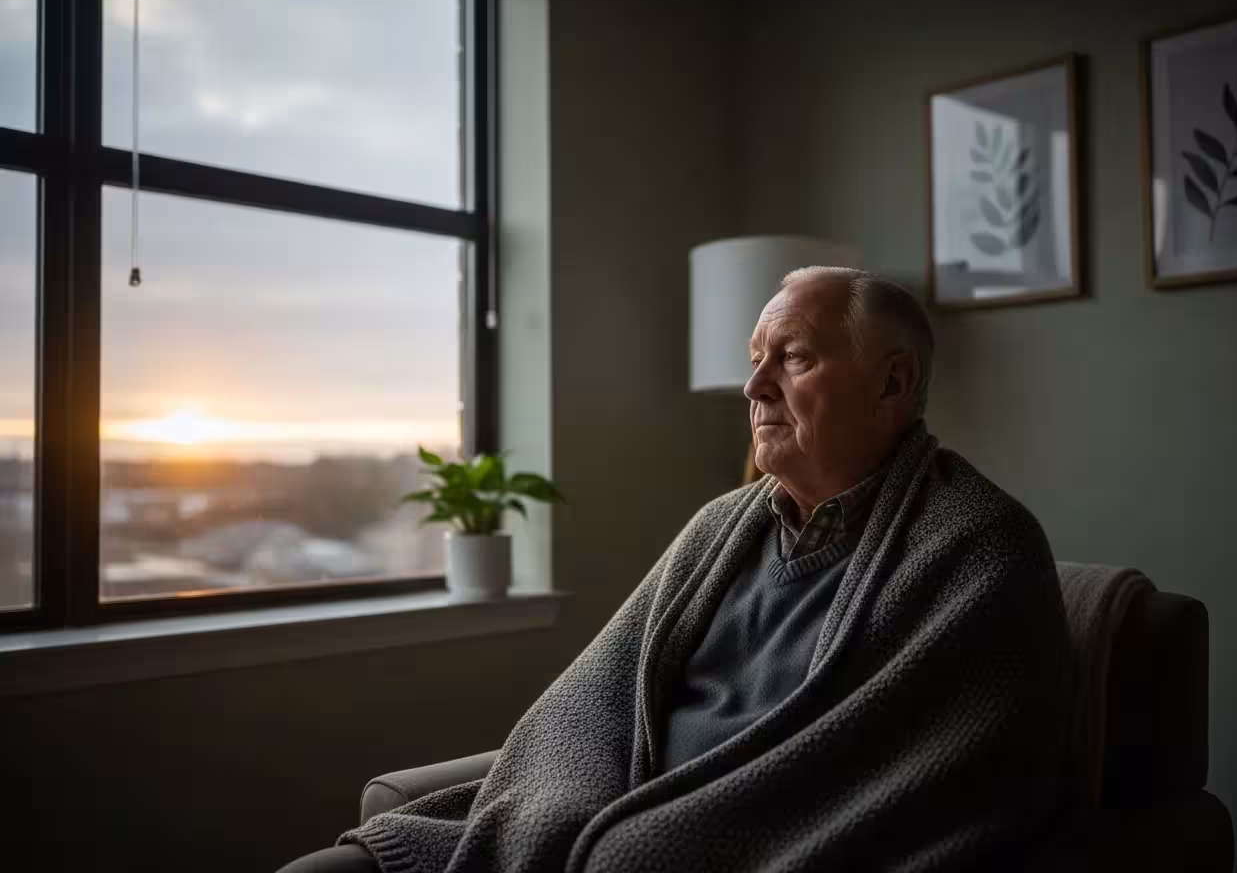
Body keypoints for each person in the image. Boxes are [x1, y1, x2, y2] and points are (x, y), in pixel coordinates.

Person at [282, 268, 1070, 872]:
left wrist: (650, 839)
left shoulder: (979, 546)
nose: (756, 387)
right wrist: (562, 809)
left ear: (893, 383)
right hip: (608, 812)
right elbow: (592, 696)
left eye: (792, 359)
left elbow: (919, 784)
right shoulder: (719, 526)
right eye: (756, 361)